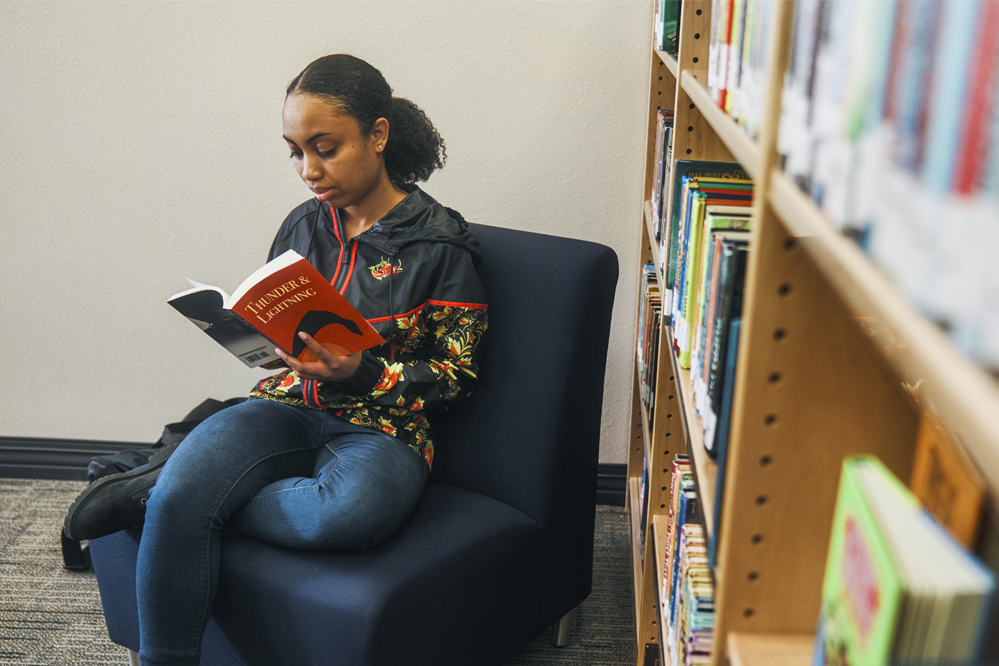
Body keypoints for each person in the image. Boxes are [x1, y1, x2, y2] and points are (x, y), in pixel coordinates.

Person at [64, 54, 488, 666]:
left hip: (383, 428)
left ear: (378, 133)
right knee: (190, 488)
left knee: (340, 514)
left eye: (325, 148)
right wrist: (264, 346)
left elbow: (458, 378)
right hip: (288, 405)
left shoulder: (441, 246)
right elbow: (278, 320)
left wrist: (362, 370)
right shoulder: (302, 225)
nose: (309, 170)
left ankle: (165, 488)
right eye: (295, 151)